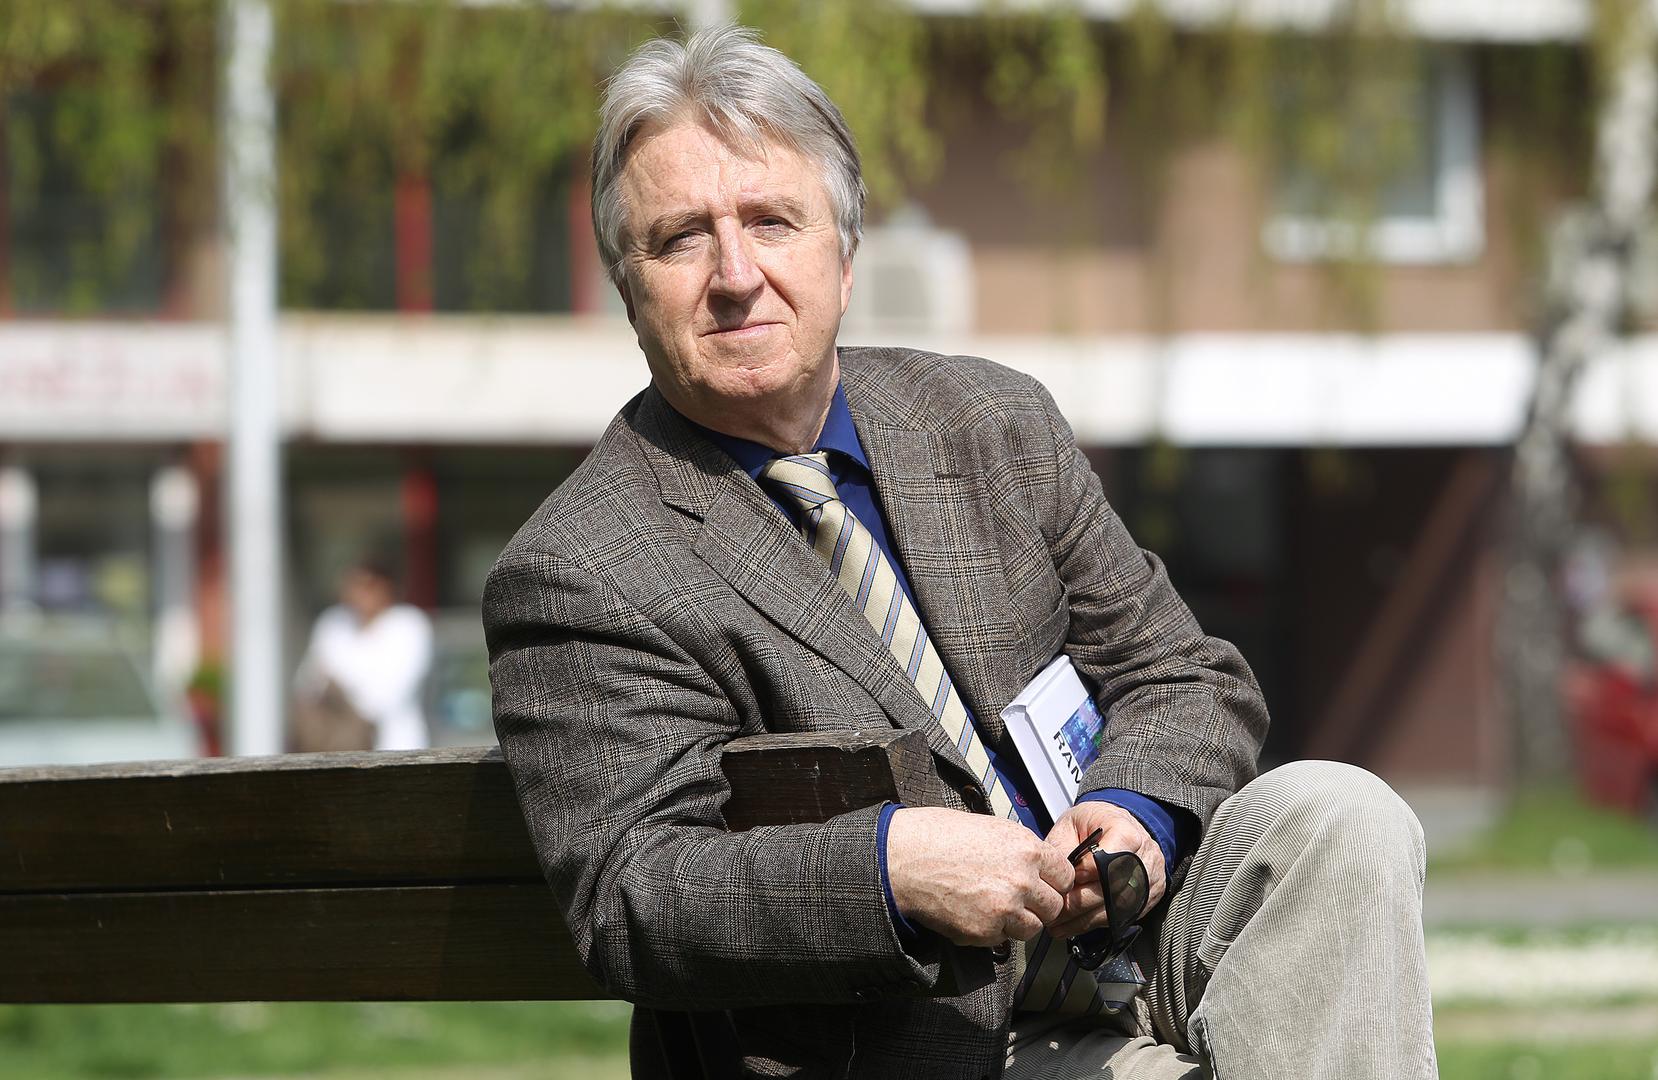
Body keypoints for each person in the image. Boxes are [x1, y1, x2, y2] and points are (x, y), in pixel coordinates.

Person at [484, 25, 1434, 1080]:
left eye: (771, 221)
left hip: (1135, 936)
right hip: (908, 1040)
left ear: (845, 258)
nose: (736, 275)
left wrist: (1134, 813)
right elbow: (634, 896)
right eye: (680, 240)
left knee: (1340, 818)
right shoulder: (583, 568)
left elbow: (1183, 675)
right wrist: (887, 873)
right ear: (629, 288)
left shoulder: (990, 420)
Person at [295, 558, 433, 752]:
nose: (360, 593)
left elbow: (386, 696)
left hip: (395, 746)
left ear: (388, 587)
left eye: (369, 585)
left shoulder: (409, 625)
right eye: (353, 584)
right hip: (334, 748)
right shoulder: (332, 623)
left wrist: (338, 686)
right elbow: (307, 684)